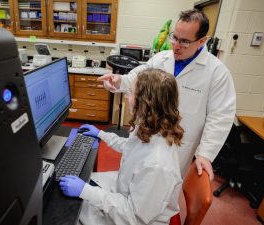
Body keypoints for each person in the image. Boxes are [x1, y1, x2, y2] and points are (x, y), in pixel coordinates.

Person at [97, 9, 236, 179]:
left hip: (176, 146)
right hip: (146, 133)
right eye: (175, 37)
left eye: (184, 41)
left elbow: (220, 116)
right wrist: (119, 80)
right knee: (130, 180)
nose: (175, 46)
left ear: (202, 41)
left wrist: (205, 154)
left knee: (161, 193)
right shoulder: (161, 58)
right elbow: (137, 78)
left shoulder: (217, 72)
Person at [59, 69, 184, 225]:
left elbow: (134, 217)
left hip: (132, 218)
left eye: (131, 92)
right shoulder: (152, 127)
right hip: (126, 190)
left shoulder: (157, 165)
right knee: (82, 180)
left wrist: (85, 191)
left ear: (146, 103)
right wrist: (100, 134)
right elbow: (131, 147)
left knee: (64, 211)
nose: (126, 96)